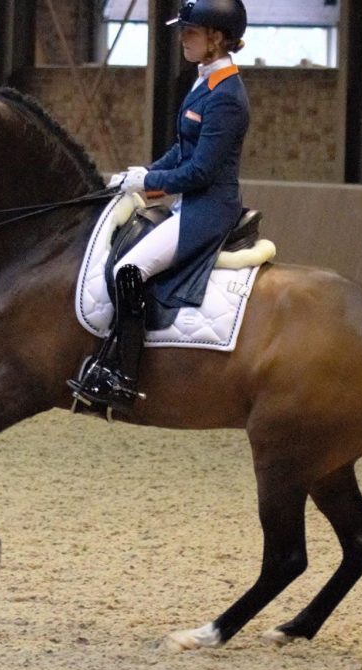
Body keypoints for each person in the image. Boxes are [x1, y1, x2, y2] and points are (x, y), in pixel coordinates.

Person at [69, 0, 250, 411]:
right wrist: (140, 174)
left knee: (128, 270)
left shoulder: (227, 97)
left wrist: (150, 182)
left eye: (191, 32)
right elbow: (181, 151)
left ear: (216, 39)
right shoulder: (204, 82)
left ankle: (124, 377)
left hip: (208, 207)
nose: (183, 38)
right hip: (189, 201)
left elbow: (200, 171)